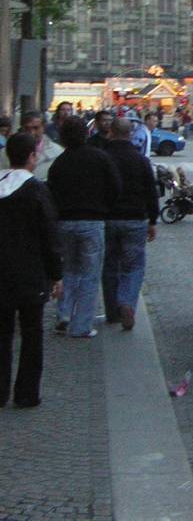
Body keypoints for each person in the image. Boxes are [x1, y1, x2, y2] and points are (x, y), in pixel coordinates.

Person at [0, 133, 63, 408]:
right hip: (30, 272)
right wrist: (56, 273)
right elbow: (49, 235)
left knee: (2, 333)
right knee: (32, 333)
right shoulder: (36, 190)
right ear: (32, 157)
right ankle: (26, 392)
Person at [47, 116, 121, 338]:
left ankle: (64, 314)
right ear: (87, 134)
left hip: (65, 222)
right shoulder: (100, 158)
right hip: (92, 220)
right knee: (90, 275)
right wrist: (105, 207)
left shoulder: (59, 162)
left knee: (68, 270)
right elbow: (115, 186)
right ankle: (82, 325)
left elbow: (51, 192)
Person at [102, 118, 159, 330]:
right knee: (133, 266)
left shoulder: (103, 157)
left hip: (108, 217)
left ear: (111, 132)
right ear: (130, 134)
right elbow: (151, 191)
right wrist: (153, 219)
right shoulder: (140, 160)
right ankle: (126, 302)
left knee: (109, 265)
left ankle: (112, 311)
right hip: (135, 218)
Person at [0, 111, 64, 179]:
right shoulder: (5, 152)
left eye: (36, 128)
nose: (31, 132)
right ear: (22, 128)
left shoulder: (57, 152)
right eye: (27, 128)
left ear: (43, 128)